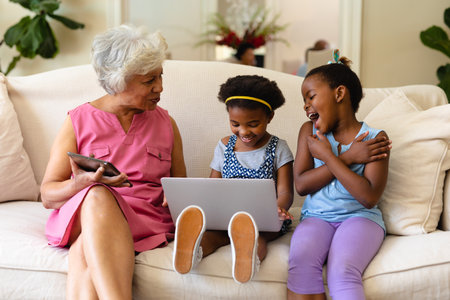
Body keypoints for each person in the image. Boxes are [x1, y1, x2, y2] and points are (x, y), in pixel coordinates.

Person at [40, 25, 186, 300]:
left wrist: (176, 193)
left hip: (145, 220)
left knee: (84, 254)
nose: (160, 87)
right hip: (89, 213)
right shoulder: (78, 120)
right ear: (118, 81)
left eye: (160, 76)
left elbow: (181, 190)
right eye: (149, 81)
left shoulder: (166, 123)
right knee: (96, 195)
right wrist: (79, 184)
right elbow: (48, 195)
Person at [287, 50, 391, 300]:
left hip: (361, 219)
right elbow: (301, 185)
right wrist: (347, 158)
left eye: (311, 96)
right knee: (300, 264)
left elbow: (369, 197)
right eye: (304, 100)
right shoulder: (309, 133)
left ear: (340, 93)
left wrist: (330, 157)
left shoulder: (375, 139)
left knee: (341, 271)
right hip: (316, 218)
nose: (305, 105)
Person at [172, 75, 294, 284]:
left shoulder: (278, 148)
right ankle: (193, 251)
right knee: (214, 235)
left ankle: (248, 258)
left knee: (258, 237)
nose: (244, 131)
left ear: (270, 116)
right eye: (235, 123)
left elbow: (285, 192)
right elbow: (213, 185)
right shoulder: (224, 146)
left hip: (263, 218)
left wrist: (279, 208)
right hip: (227, 216)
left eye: (253, 124)